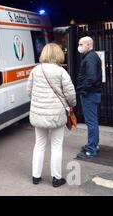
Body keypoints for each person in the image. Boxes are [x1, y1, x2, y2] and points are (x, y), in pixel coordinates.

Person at [27, 43, 76, 188]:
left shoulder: (35, 70)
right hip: (56, 115)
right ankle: (56, 178)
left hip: (39, 113)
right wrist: (72, 105)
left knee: (39, 144)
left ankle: (36, 176)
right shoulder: (61, 72)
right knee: (56, 146)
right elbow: (70, 94)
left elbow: (28, 91)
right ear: (58, 54)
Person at [76, 36, 102, 159]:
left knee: (91, 122)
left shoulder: (90, 58)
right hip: (92, 93)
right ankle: (93, 145)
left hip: (89, 94)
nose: (79, 47)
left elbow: (91, 78)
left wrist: (82, 89)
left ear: (88, 45)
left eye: (81, 44)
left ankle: (91, 149)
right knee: (93, 121)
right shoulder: (91, 56)